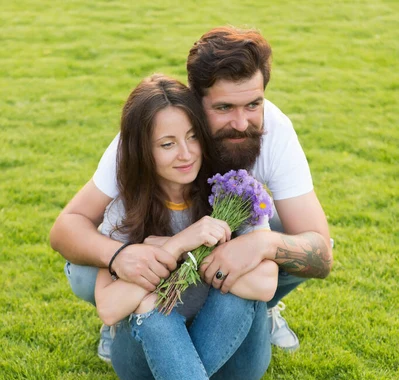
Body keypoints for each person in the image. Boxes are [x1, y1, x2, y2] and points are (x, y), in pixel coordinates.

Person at [91, 73, 309, 380]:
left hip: (231, 359)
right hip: (146, 361)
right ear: (141, 149)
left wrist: (168, 265)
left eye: (192, 136)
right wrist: (179, 245)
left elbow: (264, 285)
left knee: (230, 294)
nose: (186, 153)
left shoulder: (231, 193)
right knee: (152, 308)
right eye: (167, 143)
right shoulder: (125, 206)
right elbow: (109, 307)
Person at [50, 26, 332, 362]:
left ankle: (263, 307)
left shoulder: (276, 131)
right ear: (195, 100)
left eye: (253, 104)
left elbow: (321, 252)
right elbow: (66, 226)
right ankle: (125, 319)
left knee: (289, 238)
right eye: (224, 107)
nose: (242, 123)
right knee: (84, 269)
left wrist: (262, 244)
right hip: (154, 244)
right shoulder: (150, 132)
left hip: (228, 241)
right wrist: (119, 258)